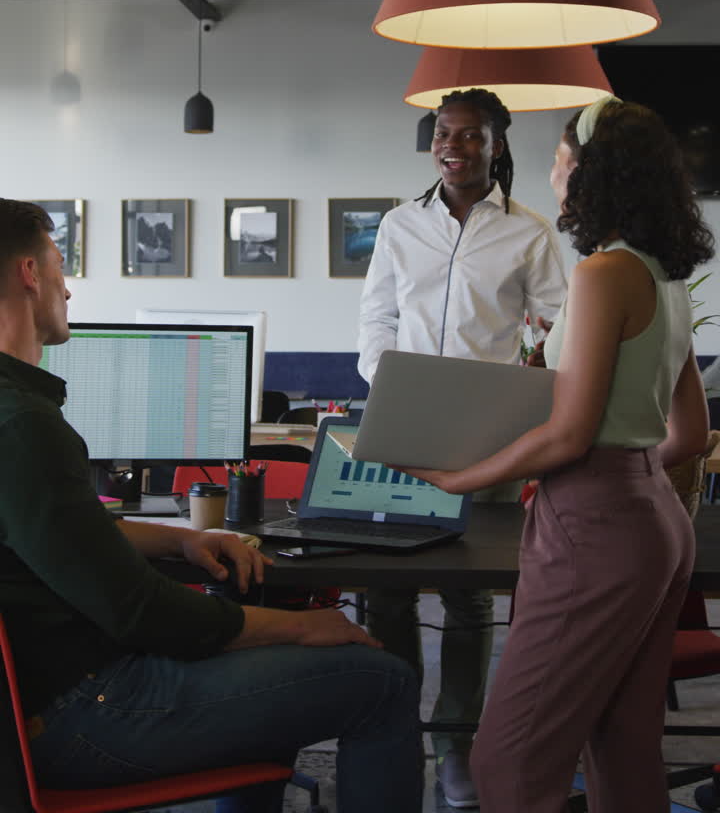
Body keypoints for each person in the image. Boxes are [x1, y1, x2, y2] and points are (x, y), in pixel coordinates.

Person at [0, 199, 424, 813]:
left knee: (277, 669)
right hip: (87, 713)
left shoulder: (15, 414)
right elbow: (145, 614)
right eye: (60, 265)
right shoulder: (23, 426)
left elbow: (71, 533)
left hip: (54, 702)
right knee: (382, 681)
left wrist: (179, 540)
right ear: (30, 275)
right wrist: (303, 626)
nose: (68, 289)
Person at [400, 96, 714, 813]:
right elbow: (689, 435)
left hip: (595, 521)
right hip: (657, 523)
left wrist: (458, 477)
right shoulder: (662, 274)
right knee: (624, 746)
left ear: (590, 172)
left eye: (560, 156)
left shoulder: (605, 274)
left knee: (507, 759)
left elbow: (570, 435)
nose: (550, 169)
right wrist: (630, 476)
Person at [357, 88, 566, 808]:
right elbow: (376, 315)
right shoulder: (398, 225)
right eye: (443, 134)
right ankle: (392, 731)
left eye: (470, 136)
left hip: (489, 431)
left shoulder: (529, 233)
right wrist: (388, 377)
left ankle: (456, 747)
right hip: (404, 423)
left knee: (471, 598)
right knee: (383, 592)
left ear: (497, 146)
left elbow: (558, 324)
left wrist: (538, 365)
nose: (453, 146)